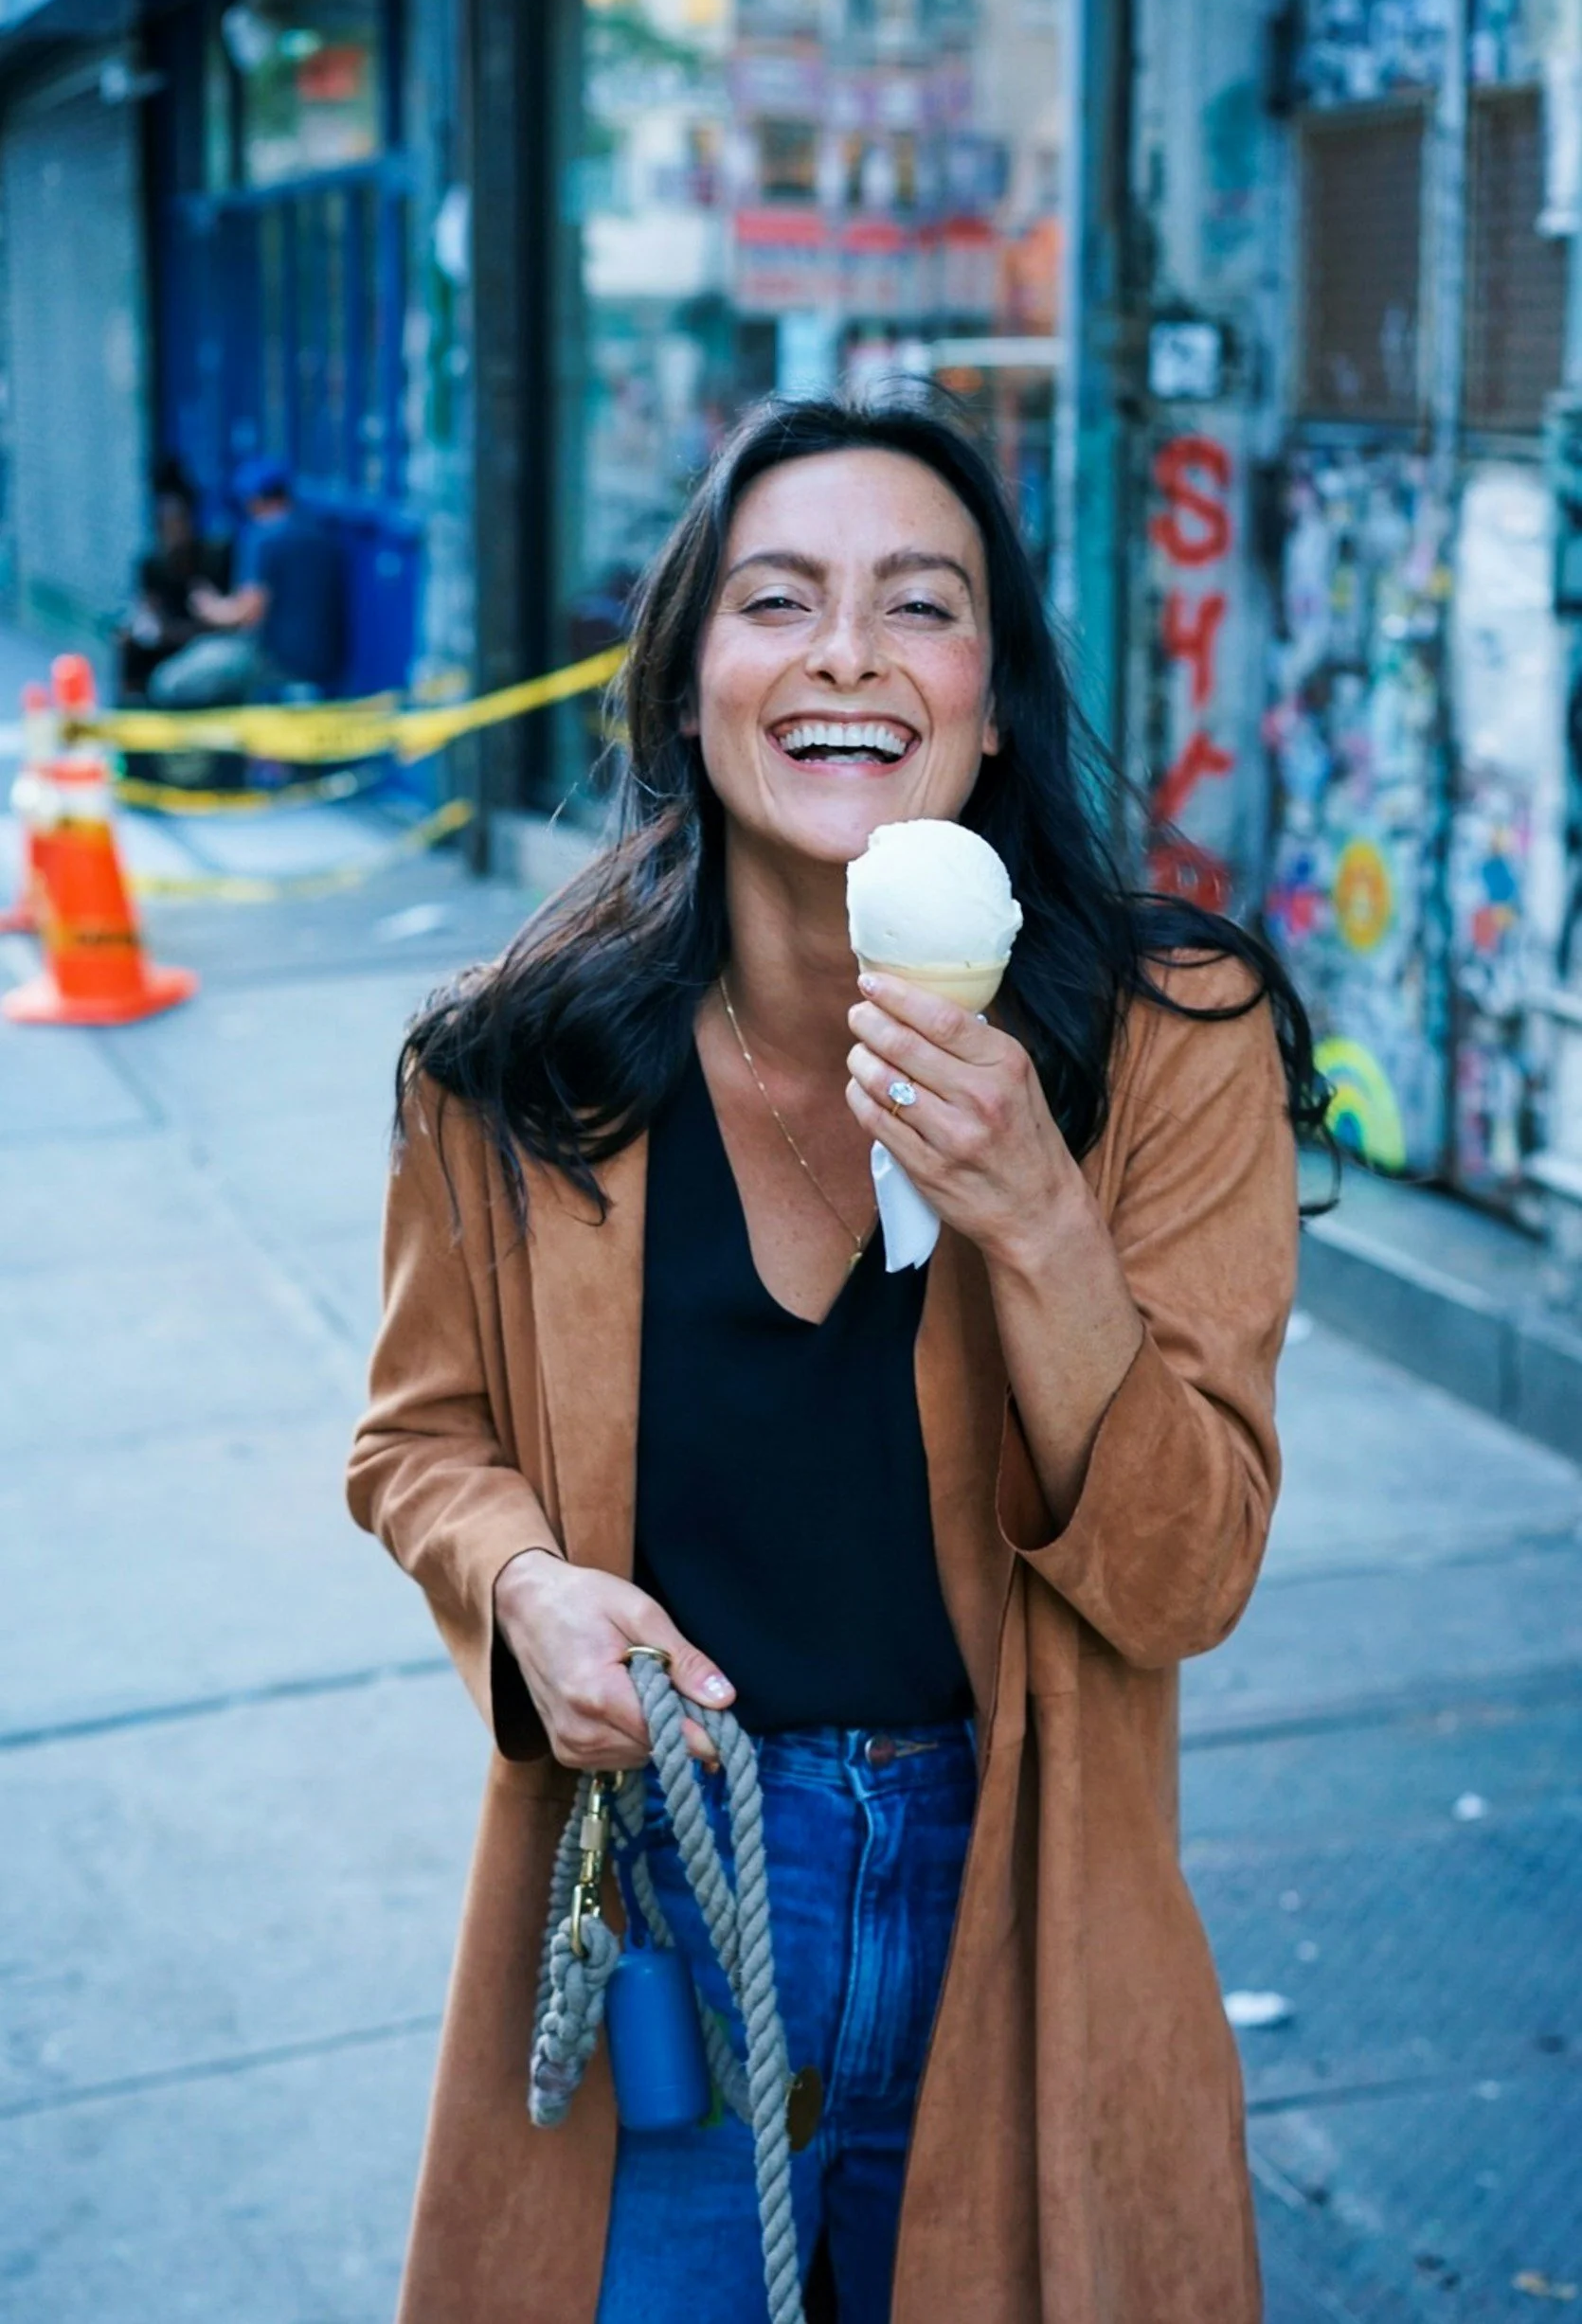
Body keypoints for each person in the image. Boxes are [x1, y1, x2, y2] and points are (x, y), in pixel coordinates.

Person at [347, 388, 1326, 2324]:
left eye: (921, 604)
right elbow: (418, 1438)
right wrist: (523, 1587)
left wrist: (1035, 1214)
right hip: (669, 1895)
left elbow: (1186, 1566)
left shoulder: (1165, 1044)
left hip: (1018, 1882)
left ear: (990, 690)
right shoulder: (517, 1061)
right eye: (776, 599)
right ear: (691, 677)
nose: (849, 655)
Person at [147, 457, 345, 708]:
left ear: (255, 499)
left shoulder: (262, 538)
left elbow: (248, 613)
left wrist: (210, 606)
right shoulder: (320, 535)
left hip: (274, 662)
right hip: (326, 664)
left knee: (167, 683)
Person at [116, 457, 232, 705]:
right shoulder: (153, 565)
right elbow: (148, 613)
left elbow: (222, 618)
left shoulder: (214, 558)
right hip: (169, 637)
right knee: (127, 643)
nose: (175, 533)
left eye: (180, 524)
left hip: (204, 641)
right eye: (167, 527)